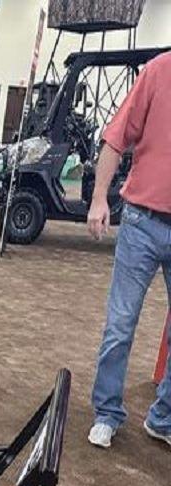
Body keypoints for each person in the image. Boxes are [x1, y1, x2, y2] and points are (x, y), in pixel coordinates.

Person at [87, 51, 171, 449]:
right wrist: (98, 199)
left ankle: (163, 418)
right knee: (120, 323)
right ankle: (107, 413)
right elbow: (116, 137)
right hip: (142, 222)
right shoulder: (158, 72)